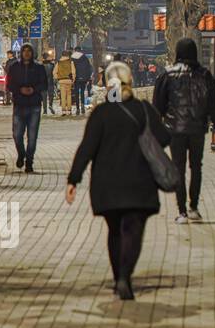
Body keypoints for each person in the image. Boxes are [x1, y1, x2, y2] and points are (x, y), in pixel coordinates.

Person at [66, 61, 172, 301]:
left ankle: (118, 278)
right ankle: (125, 275)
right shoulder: (143, 110)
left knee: (115, 231)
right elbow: (165, 137)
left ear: (108, 85)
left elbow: (87, 148)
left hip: (107, 184)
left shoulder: (102, 113)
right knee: (133, 231)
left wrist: (74, 179)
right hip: (140, 182)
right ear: (130, 82)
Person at [153, 37, 215, 224]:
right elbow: (214, 104)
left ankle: (182, 211)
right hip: (198, 129)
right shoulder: (205, 75)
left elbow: (158, 105)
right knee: (196, 167)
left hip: (175, 130)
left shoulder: (167, 75)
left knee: (178, 169)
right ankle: (194, 208)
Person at [5, 44, 47, 172]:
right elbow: (9, 84)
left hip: (34, 105)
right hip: (19, 104)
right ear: (21, 53)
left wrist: (33, 89)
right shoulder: (15, 67)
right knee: (17, 134)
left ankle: (29, 161)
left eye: (29, 51)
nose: (27, 53)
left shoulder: (39, 68)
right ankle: (21, 154)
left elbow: (44, 84)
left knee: (32, 136)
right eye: (25, 51)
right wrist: (19, 90)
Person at [54, 51, 76, 115]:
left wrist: (57, 78)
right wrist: (73, 79)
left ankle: (63, 110)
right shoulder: (70, 62)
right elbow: (73, 71)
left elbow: (54, 72)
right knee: (69, 95)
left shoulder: (59, 62)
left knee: (63, 96)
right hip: (69, 80)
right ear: (68, 55)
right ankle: (69, 110)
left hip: (61, 80)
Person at [72, 49, 93, 116]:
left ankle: (78, 108)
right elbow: (89, 68)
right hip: (84, 79)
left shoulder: (73, 58)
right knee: (82, 93)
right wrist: (87, 78)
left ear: (75, 50)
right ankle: (83, 106)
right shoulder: (85, 58)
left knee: (76, 93)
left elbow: (71, 68)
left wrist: (72, 77)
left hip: (76, 78)